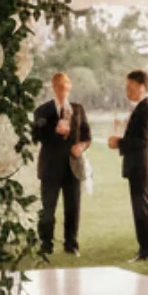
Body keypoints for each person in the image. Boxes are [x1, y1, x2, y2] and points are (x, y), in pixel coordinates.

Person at [31, 72, 91, 257]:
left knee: (73, 208)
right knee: (48, 209)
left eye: (65, 85)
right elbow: (36, 136)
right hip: (50, 167)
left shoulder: (78, 109)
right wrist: (54, 131)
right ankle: (46, 244)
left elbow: (87, 136)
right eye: (58, 85)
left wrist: (81, 147)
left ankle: (71, 245)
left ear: (70, 86)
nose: (62, 89)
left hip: (73, 167)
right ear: (53, 87)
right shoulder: (43, 110)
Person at [108, 69, 148, 261]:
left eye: (130, 87)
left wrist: (119, 143)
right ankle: (145, 249)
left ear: (141, 86)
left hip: (142, 166)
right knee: (140, 208)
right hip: (139, 166)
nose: (127, 91)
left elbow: (143, 140)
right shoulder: (142, 107)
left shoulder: (146, 108)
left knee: (144, 209)